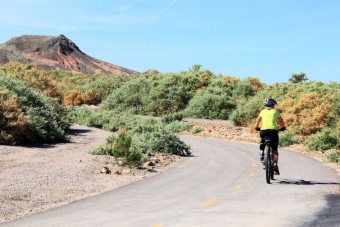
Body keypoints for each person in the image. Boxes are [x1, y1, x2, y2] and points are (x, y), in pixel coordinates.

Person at [255, 98, 286, 175]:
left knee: (263, 142)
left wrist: (256, 127)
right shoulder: (275, 112)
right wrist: (282, 127)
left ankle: (262, 153)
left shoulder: (262, 112)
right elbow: (281, 121)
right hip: (273, 131)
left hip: (263, 131)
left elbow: (257, 121)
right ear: (273, 105)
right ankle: (275, 164)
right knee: (275, 149)